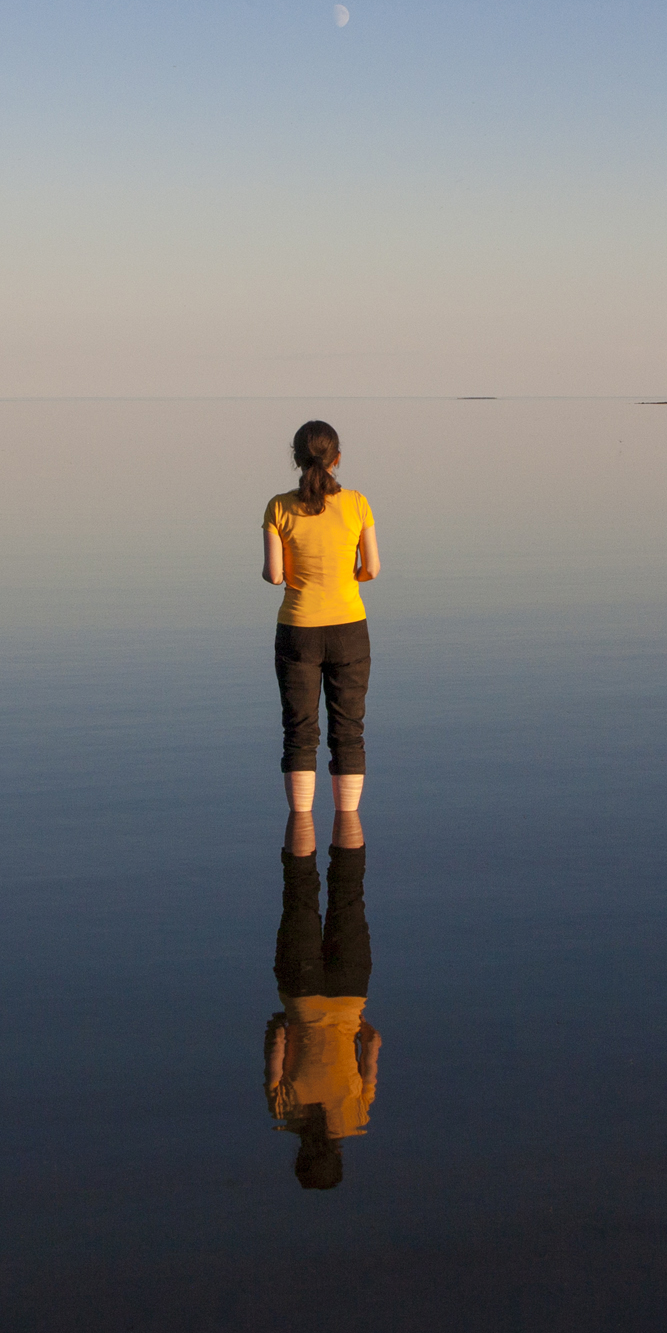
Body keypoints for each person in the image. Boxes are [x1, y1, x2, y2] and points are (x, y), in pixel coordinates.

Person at [261, 420, 380, 814]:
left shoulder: (279, 506)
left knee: (299, 733)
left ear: (296, 460)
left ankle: (301, 827)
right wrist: (353, 574)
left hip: (298, 631)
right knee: (348, 732)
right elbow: (372, 569)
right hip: (349, 629)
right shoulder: (358, 502)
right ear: (337, 459)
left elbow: (274, 575)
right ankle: (349, 825)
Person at [264, 805, 378, 1189]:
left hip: (349, 990)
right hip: (300, 990)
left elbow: (373, 1041)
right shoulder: (284, 1113)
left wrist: (356, 1022)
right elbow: (277, 1037)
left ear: (339, 1153)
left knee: (349, 889)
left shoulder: (356, 1120)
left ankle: (344, 806)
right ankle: (303, 807)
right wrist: (286, 1020)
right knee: (299, 889)